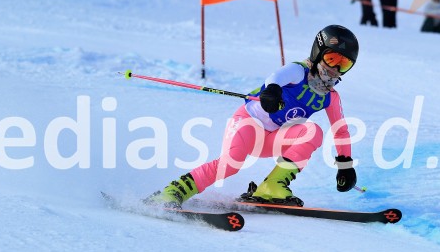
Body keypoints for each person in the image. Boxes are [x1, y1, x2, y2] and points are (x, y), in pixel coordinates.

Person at [148, 25, 359, 208]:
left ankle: (271, 186)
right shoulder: (298, 71)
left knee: (313, 132)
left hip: (273, 138)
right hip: (249, 123)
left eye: (344, 64)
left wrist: (345, 165)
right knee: (231, 165)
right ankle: (172, 192)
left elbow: (340, 130)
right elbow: (275, 78)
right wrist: (272, 91)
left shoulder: (330, 97)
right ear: (318, 52)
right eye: (331, 58)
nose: (335, 68)